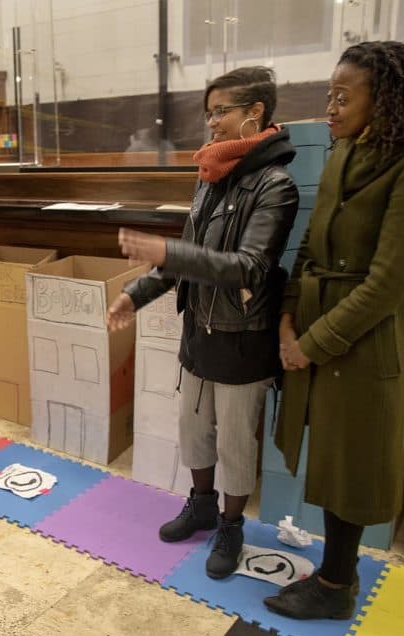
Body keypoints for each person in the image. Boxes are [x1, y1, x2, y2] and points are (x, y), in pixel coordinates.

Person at [264, 41, 404, 620]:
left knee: (351, 462)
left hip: (367, 341)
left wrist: (309, 344)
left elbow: (388, 284)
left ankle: (337, 586)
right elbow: (310, 250)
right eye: (329, 95)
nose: (331, 107)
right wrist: (287, 318)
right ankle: (332, 575)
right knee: (330, 455)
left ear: (387, 98)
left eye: (344, 96)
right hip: (319, 323)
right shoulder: (344, 152)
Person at [107, 67, 299, 579]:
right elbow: (187, 259)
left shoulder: (276, 185)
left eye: (222, 111)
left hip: (243, 338)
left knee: (236, 442)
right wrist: (137, 294)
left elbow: (249, 267)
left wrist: (172, 250)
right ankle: (201, 504)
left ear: (255, 113)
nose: (211, 122)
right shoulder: (210, 175)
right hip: (199, 332)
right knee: (194, 431)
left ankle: (231, 526)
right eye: (209, 112)